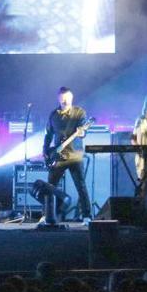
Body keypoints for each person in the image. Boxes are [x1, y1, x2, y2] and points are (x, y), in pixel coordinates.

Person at [42, 87, 92, 221]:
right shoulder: (53, 115)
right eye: (63, 99)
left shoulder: (79, 113)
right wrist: (45, 150)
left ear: (72, 98)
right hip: (58, 157)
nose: (65, 101)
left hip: (74, 156)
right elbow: (48, 134)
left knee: (80, 186)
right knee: (50, 186)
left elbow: (83, 131)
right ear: (58, 99)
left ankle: (87, 215)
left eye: (68, 98)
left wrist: (82, 132)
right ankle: (47, 214)